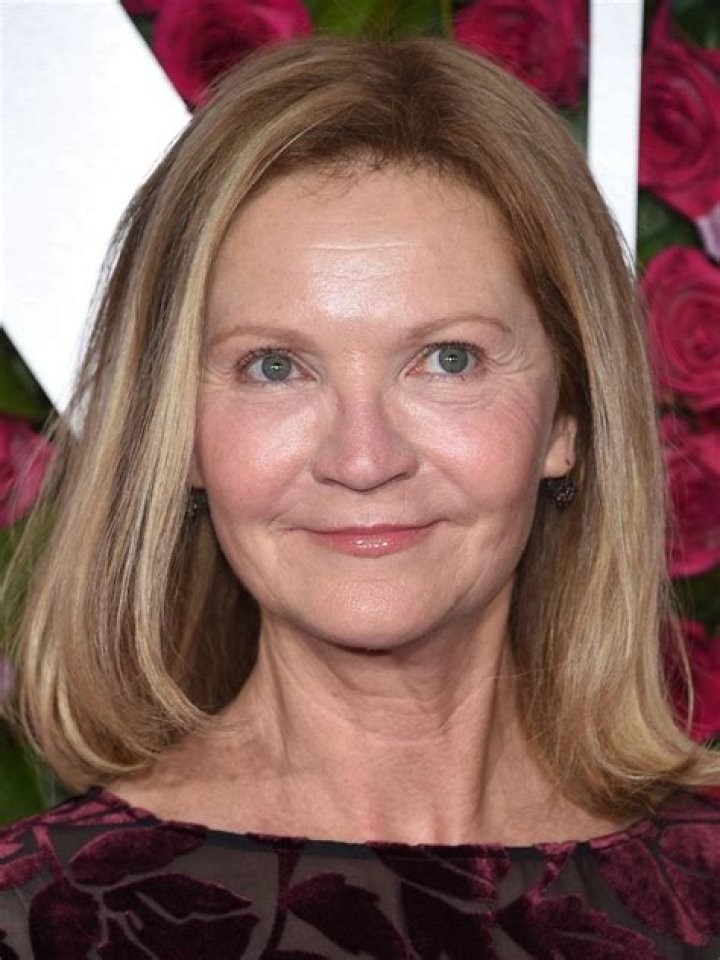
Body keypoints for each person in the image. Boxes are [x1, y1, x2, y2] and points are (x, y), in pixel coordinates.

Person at [1, 36, 718, 959]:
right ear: (179, 431)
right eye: (273, 367)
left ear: (567, 417)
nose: (363, 458)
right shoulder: (35, 923)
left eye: (448, 360)